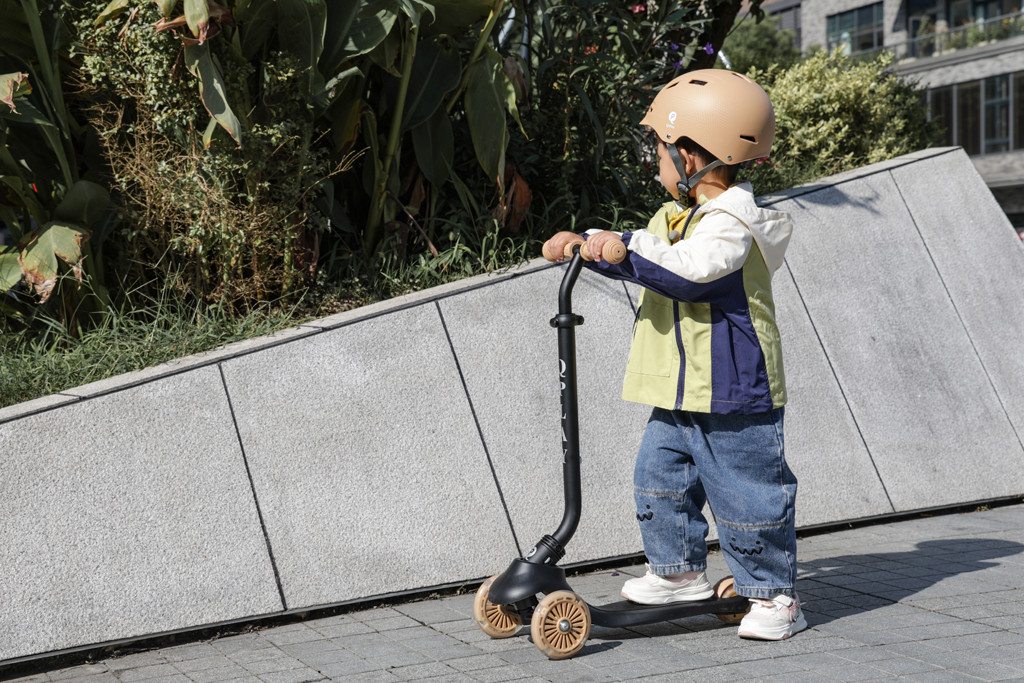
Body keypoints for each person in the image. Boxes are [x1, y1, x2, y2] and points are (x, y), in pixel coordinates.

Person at [542, 69, 805, 641]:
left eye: (657, 150)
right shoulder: (680, 218)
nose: (653, 163)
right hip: (682, 388)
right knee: (659, 479)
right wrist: (590, 244)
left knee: (747, 492)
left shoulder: (732, 224)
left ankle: (774, 594)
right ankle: (680, 572)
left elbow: (689, 272)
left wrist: (622, 248)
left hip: (734, 390)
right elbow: (651, 254)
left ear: (689, 156)